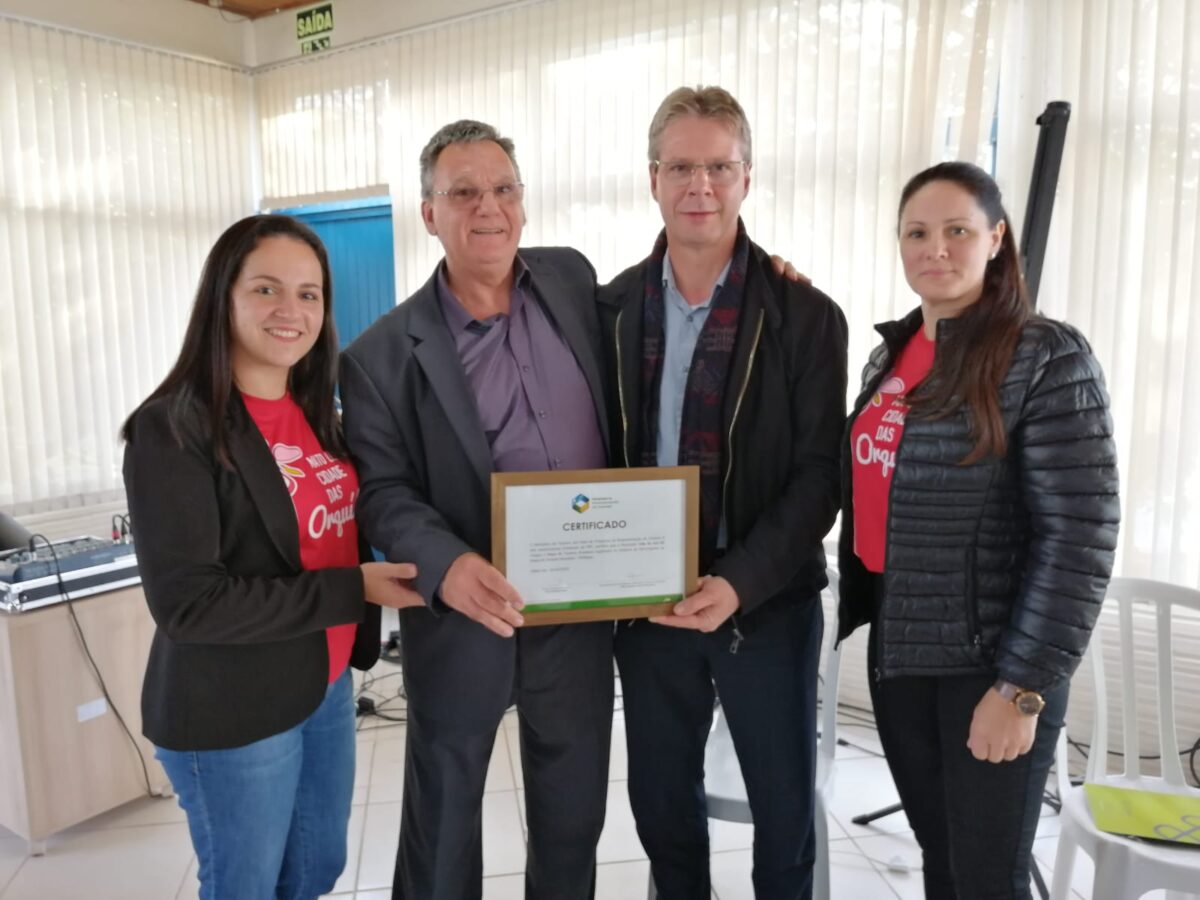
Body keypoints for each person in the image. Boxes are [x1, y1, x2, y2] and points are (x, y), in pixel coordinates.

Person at [339, 120, 615, 900]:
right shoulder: (379, 356)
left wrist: (762, 273)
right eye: (463, 193)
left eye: (502, 189)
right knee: (443, 825)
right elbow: (382, 492)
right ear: (430, 214)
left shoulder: (571, 278)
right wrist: (446, 563)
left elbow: (666, 299)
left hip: (579, 608)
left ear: (522, 201)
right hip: (465, 613)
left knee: (573, 818)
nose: (487, 207)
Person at [837, 161, 1120, 899]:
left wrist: (1021, 687)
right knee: (942, 859)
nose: (935, 248)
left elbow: (1079, 540)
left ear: (996, 239)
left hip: (990, 663)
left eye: (957, 230)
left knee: (989, 880)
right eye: (916, 233)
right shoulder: (890, 357)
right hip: (901, 651)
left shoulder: (1046, 356)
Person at [122, 214, 421, 900]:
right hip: (235, 706)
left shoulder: (318, 415)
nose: (291, 310)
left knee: (314, 870)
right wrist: (354, 589)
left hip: (323, 683)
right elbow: (190, 605)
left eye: (309, 294)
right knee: (248, 887)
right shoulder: (173, 428)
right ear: (223, 297)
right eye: (266, 289)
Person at [598, 86, 848, 899]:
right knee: (662, 803)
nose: (698, 185)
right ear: (653, 178)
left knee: (782, 810)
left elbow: (821, 477)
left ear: (747, 177)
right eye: (680, 167)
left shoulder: (806, 315)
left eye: (718, 167)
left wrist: (738, 581)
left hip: (764, 603)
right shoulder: (609, 309)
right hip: (648, 602)